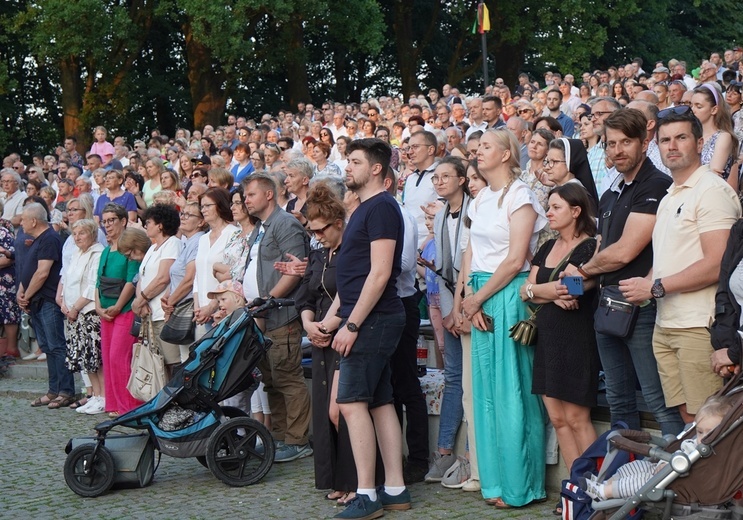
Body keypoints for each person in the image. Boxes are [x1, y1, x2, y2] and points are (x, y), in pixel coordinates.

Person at [620, 106, 740, 424]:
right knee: (689, 423)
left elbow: (717, 264)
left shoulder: (712, 191)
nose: (672, 146)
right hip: (667, 323)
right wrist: (644, 285)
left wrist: (655, 287)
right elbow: (667, 261)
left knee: (711, 425)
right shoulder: (670, 195)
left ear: (700, 144)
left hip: (700, 325)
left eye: (681, 138)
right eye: (665, 140)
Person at [315, 138, 410, 519]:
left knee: (351, 404)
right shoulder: (366, 209)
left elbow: (381, 272)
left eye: (354, 161)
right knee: (380, 401)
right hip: (366, 317)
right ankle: (395, 489)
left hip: (373, 320)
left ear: (376, 168)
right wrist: (332, 319)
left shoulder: (382, 207)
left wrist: (351, 324)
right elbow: (353, 277)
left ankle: (367, 495)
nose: (347, 167)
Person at [460, 128, 548, 508]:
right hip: (480, 293)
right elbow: (470, 252)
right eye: (477, 148)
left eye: (486, 147)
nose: (478, 152)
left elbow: (516, 259)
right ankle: (494, 483)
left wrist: (477, 298)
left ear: (508, 154)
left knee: (513, 390)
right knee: (488, 395)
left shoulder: (520, 196)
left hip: (507, 294)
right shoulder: (480, 200)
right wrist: (468, 297)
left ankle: (522, 485)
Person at [295, 183, 372, 505]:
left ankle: (358, 481)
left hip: (344, 334)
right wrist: (309, 324)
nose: (317, 236)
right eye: (312, 231)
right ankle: (338, 480)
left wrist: (331, 324)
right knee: (328, 415)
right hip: (320, 335)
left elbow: (354, 296)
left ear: (337, 223)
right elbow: (307, 295)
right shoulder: (317, 253)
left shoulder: (352, 250)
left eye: (320, 230)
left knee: (339, 411)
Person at [521, 183, 599, 473]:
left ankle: (596, 491)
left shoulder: (591, 246)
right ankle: (576, 487)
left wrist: (540, 290)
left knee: (578, 418)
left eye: (556, 207)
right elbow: (523, 290)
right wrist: (551, 290)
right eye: (549, 207)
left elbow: (578, 287)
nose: (548, 213)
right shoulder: (547, 246)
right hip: (548, 338)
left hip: (577, 338)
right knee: (557, 418)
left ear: (576, 211)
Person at [242, 173, 312, 463]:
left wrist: (267, 301)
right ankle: (281, 437)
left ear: (269, 195)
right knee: (271, 380)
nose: (246, 200)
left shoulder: (285, 224)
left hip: (280, 316)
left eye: (251, 195)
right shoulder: (260, 227)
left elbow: (293, 271)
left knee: (287, 378)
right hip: (261, 318)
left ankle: (297, 440)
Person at [579, 395, 732, 501]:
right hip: (665, 470)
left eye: (709, 433)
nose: (703, 437)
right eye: (699, 431)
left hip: (679, 482)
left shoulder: (715, 452)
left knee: (641, 481)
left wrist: (668, 465)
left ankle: (605, 492)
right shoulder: (697, 443)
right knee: (637, 466)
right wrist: (664, 464)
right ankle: (606, 483)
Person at [424, 156, 472, 485]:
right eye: (435, 178)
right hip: (448, 304)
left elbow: (471, 265)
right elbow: (442, 271)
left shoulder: (474, 211)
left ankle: (471, 455)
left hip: (471, 303)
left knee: (474, 382)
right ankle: (444, 453)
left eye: (445, 176)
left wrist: (460, 309)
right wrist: (446, 311)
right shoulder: (441, 215)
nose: (439, 182)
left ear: (461, 179)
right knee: (453, 379)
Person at [21, 203, 76, 409]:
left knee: (56, 346)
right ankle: (53, 390)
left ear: (34, 221)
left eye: (24, 219)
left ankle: (65, 391)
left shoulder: (50, 239)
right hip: (36, 300)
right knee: (48, 347)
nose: (21, 223)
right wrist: (21, 290)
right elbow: (30, 268)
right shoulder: (38, 240)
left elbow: (43, 272)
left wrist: (26, 294)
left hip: (48, 300)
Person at [124, 204, 183, 379]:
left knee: (173, 362)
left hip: (164, 313)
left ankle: (176, 402)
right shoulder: (153, 247)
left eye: (148, 222)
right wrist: (140, 303)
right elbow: (142, 277)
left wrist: (140, 300)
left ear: (160, 225)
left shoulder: (173, 244)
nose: (146, 225)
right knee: (159, 362)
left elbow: (163, 277)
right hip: (150, 313)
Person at [96, 203, 141, 417]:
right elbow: (98, 282)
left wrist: (117, 306)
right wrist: (98, 307)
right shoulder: (105, 251)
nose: (108, 225)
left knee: (120, 357)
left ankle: (129, 406)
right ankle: (113, 403)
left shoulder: (128, 250)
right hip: (106, 311)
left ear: (123, 221)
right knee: (108, 357)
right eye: (104, 221)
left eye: (112, 220)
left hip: (124, 310)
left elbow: (131, 281)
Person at [59, 219, 105, 414]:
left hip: (88, 312)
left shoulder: (97, 253)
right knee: (87, 359)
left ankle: (103, 396)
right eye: (74, 234)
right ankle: (95, 395)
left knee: (95, 358)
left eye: (82, 233)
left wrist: (75, 307)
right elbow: (68, 280)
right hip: (74, 313)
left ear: (92, 234)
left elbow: (90, 285)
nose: (77, 237)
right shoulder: (77, 253)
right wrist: (64, 303)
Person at [160, 201, 205, 362]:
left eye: (189, 214)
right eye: (183, 213)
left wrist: (170, 303)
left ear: (201, 222)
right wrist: (167, 296)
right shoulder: (187, 241)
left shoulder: (198, 240)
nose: (183, 218)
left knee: (190, 360)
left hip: (188, 308)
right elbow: (176, 275)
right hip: (178, 305)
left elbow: (189, 279)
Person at [193, 188, 239, 335]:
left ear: (219, 205)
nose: (203, 210)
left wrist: (212, 306)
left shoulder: (233, 233)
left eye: (208, 206)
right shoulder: (202, 238)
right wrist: (198, 307)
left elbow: (233, 275)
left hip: (223, 311)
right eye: (202, 206)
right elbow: (198, 277)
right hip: (202, 311)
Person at [691, 84, 738, 188]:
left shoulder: (723, 137)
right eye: (691, 105)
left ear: (714, 110)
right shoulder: (692, 136)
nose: (693, 110)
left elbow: (712, 176)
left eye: (699, 106)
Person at [0, 201, 21, 358]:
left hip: (5, 280)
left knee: (9, 314)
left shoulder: (3, 232)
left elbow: (11, 257)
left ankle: (12, 349)